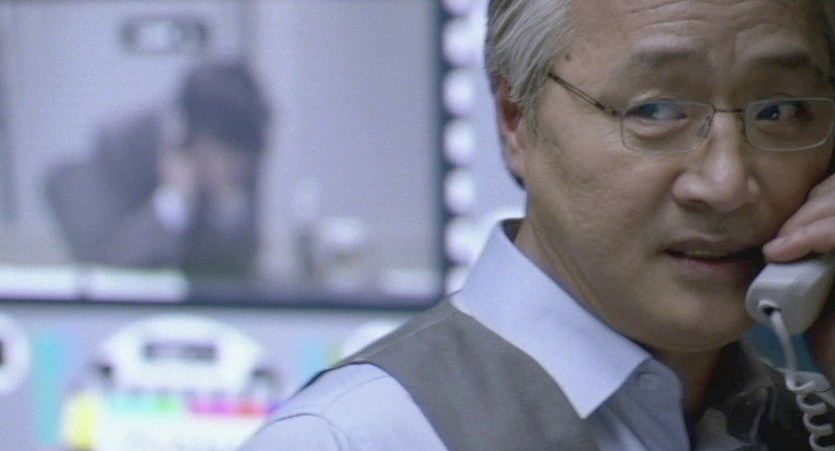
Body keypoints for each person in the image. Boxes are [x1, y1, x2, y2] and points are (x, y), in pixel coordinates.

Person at [241, 0, 835, 449]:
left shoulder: (807, 418)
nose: (726, 184)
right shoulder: (352, 437)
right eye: (655, 111)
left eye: (780, 111)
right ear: (515, 118)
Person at [45, 59, 271, 278]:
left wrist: (226, 212)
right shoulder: (120, 150)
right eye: (228, 158)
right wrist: (173, 204)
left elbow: (238, 276)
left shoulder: (238, 176)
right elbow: (105, 269)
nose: (238, 173)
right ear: (197, 140)